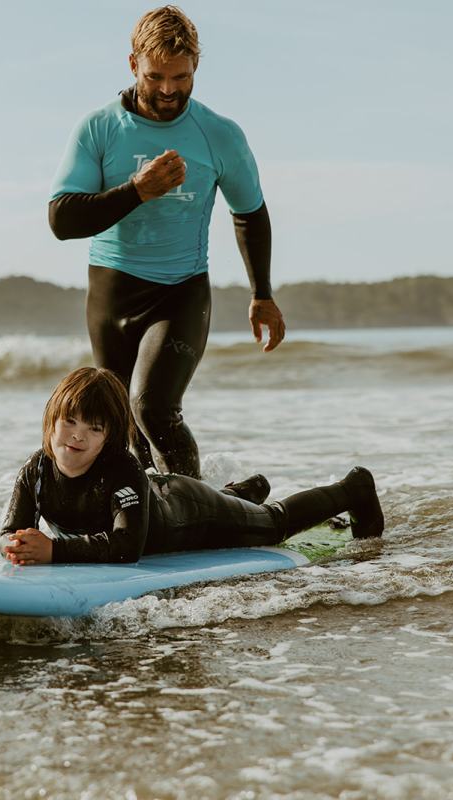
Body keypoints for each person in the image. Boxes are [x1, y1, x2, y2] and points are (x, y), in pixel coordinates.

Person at [48, 6, 285, 480]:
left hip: (181, 290)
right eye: (155, 76)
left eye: (181, 76)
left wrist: (262, 293)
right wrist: (137, 191)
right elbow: (62, 219)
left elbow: (249, 213)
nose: (169, 90)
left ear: (196, 65)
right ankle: (143, 510)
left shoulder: (218, 135)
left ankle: (193, 508)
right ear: (132, 63)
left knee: (152, 407)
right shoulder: (99, 128)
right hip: (111, 292)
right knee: (119, 429)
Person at [0, 368, 383, 565]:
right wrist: (14, 546)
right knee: (238, 506)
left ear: (109, 438)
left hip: (189, 511)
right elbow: (8, 531)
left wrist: (55, 551)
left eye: (93, 429)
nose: (77, 436)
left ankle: (354, 488)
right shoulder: (35, 471)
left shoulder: (120, 470)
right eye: (69, 422)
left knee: (272, 525)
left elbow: (127, 546)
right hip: (159, 497)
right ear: (51, 420)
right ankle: (241, 493)